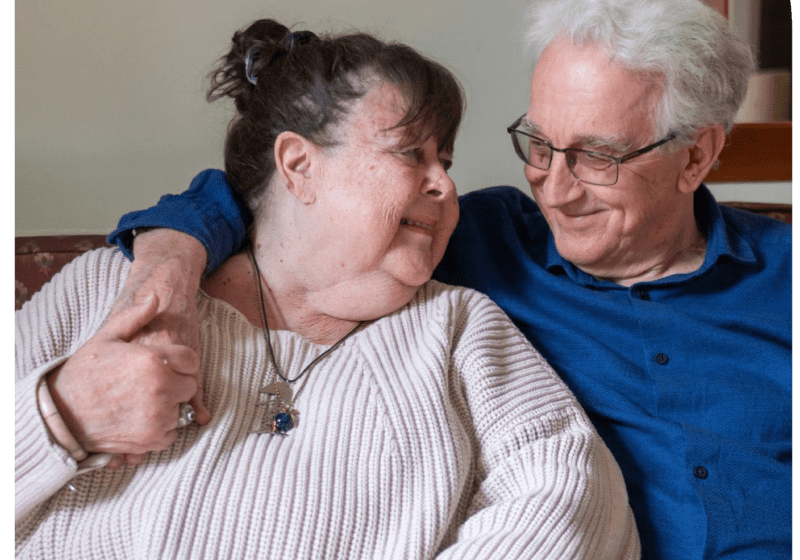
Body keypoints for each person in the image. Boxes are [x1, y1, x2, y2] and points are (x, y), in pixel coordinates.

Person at [101, 0, 793, 558]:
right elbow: (268, 200)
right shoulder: (477, 241)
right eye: (540, 144)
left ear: (696, 156)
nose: (554, 188)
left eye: (597, 157)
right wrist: (170, 256)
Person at [14, 19, 640, 559]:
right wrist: (57, 417)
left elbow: (571, 500)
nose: (445, 186)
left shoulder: (459, 328)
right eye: (409, 155)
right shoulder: (113, 290)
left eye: (443, 162)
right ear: (298, 166)